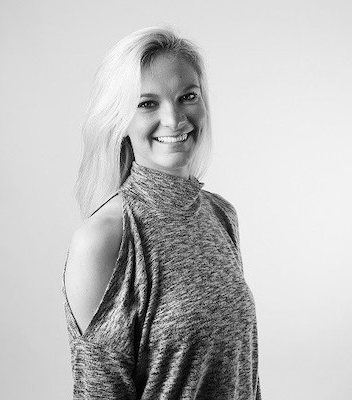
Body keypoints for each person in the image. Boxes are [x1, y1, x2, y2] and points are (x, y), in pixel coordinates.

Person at [62, 26, 261, 399]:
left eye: (188, 96)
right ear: (119, 118)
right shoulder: (104, 239)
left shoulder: (221, 215)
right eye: (147, 103)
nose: (174, 119)